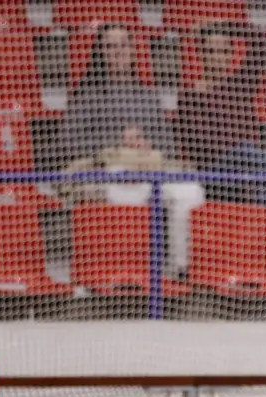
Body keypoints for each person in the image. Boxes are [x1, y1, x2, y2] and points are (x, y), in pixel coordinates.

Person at [62, 22, 204, 280]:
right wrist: (118, 144)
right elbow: (68, 144)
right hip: (110, 172)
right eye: (111, 46)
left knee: (190, 191)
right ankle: (126, 273)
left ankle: (178, 270)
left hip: (150, 172)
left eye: (124, 45)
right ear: (100, 53)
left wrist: (146, 143)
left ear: (133, 50)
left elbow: (168, 145)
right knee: (120, 188)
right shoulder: (85, 96)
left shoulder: (148, 96)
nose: (119, 51)